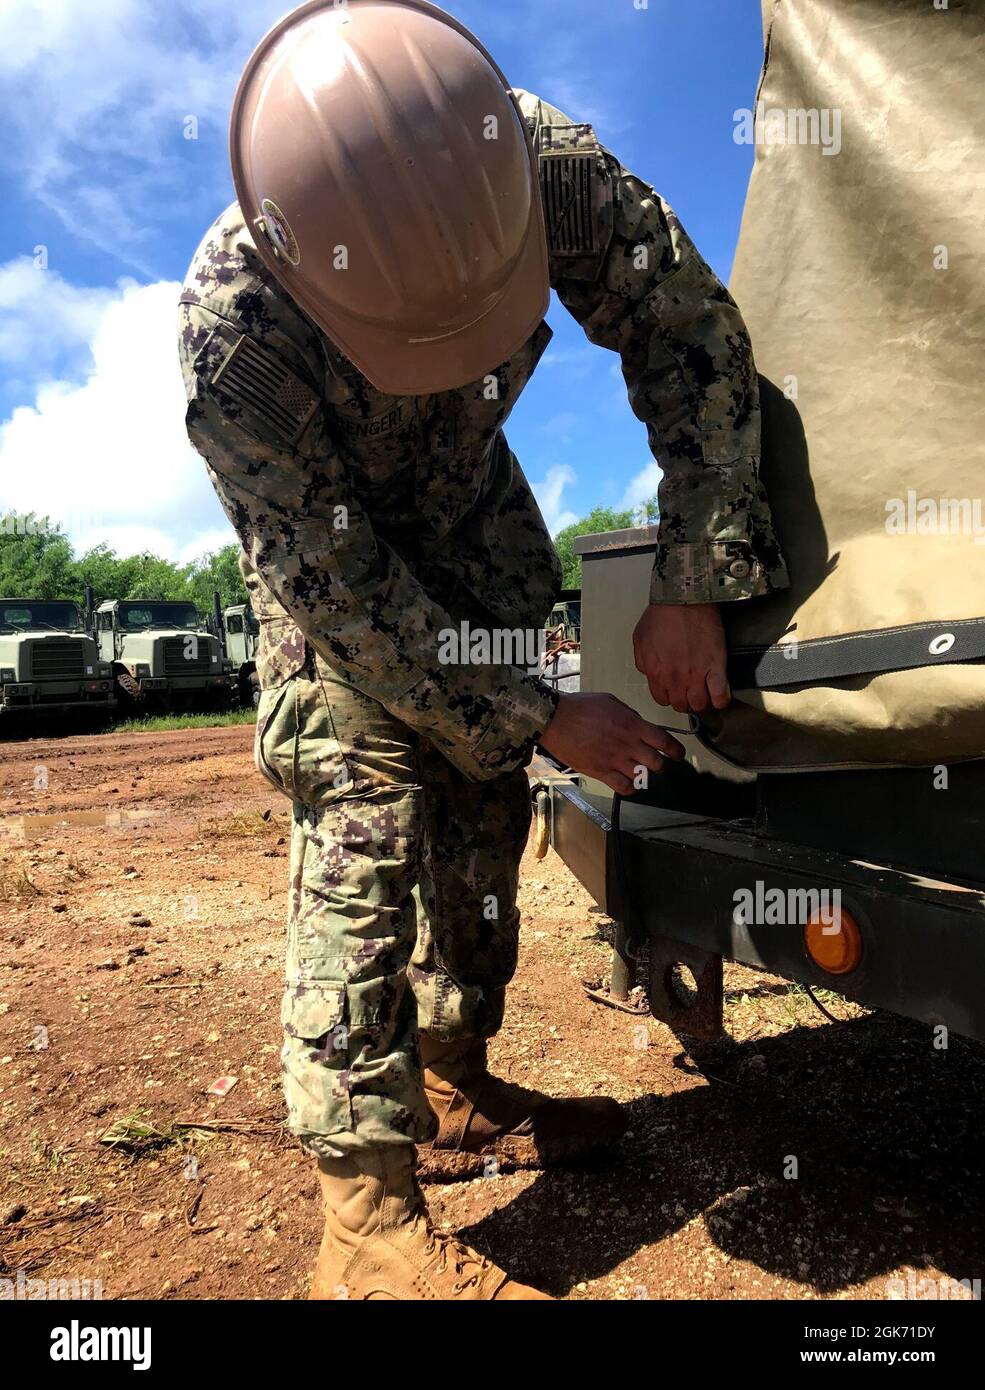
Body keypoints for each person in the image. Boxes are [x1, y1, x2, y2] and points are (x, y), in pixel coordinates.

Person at [178, 0, 787, 1301]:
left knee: (479, 807)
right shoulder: (236, 338)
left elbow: (685, 329)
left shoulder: (542, 169)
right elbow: (342, 597)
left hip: (478, 518)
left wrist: (693, 569)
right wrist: (539, 706)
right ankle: (362, 1218)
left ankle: (451, 1085)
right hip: (337, 561)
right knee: (366, 793)